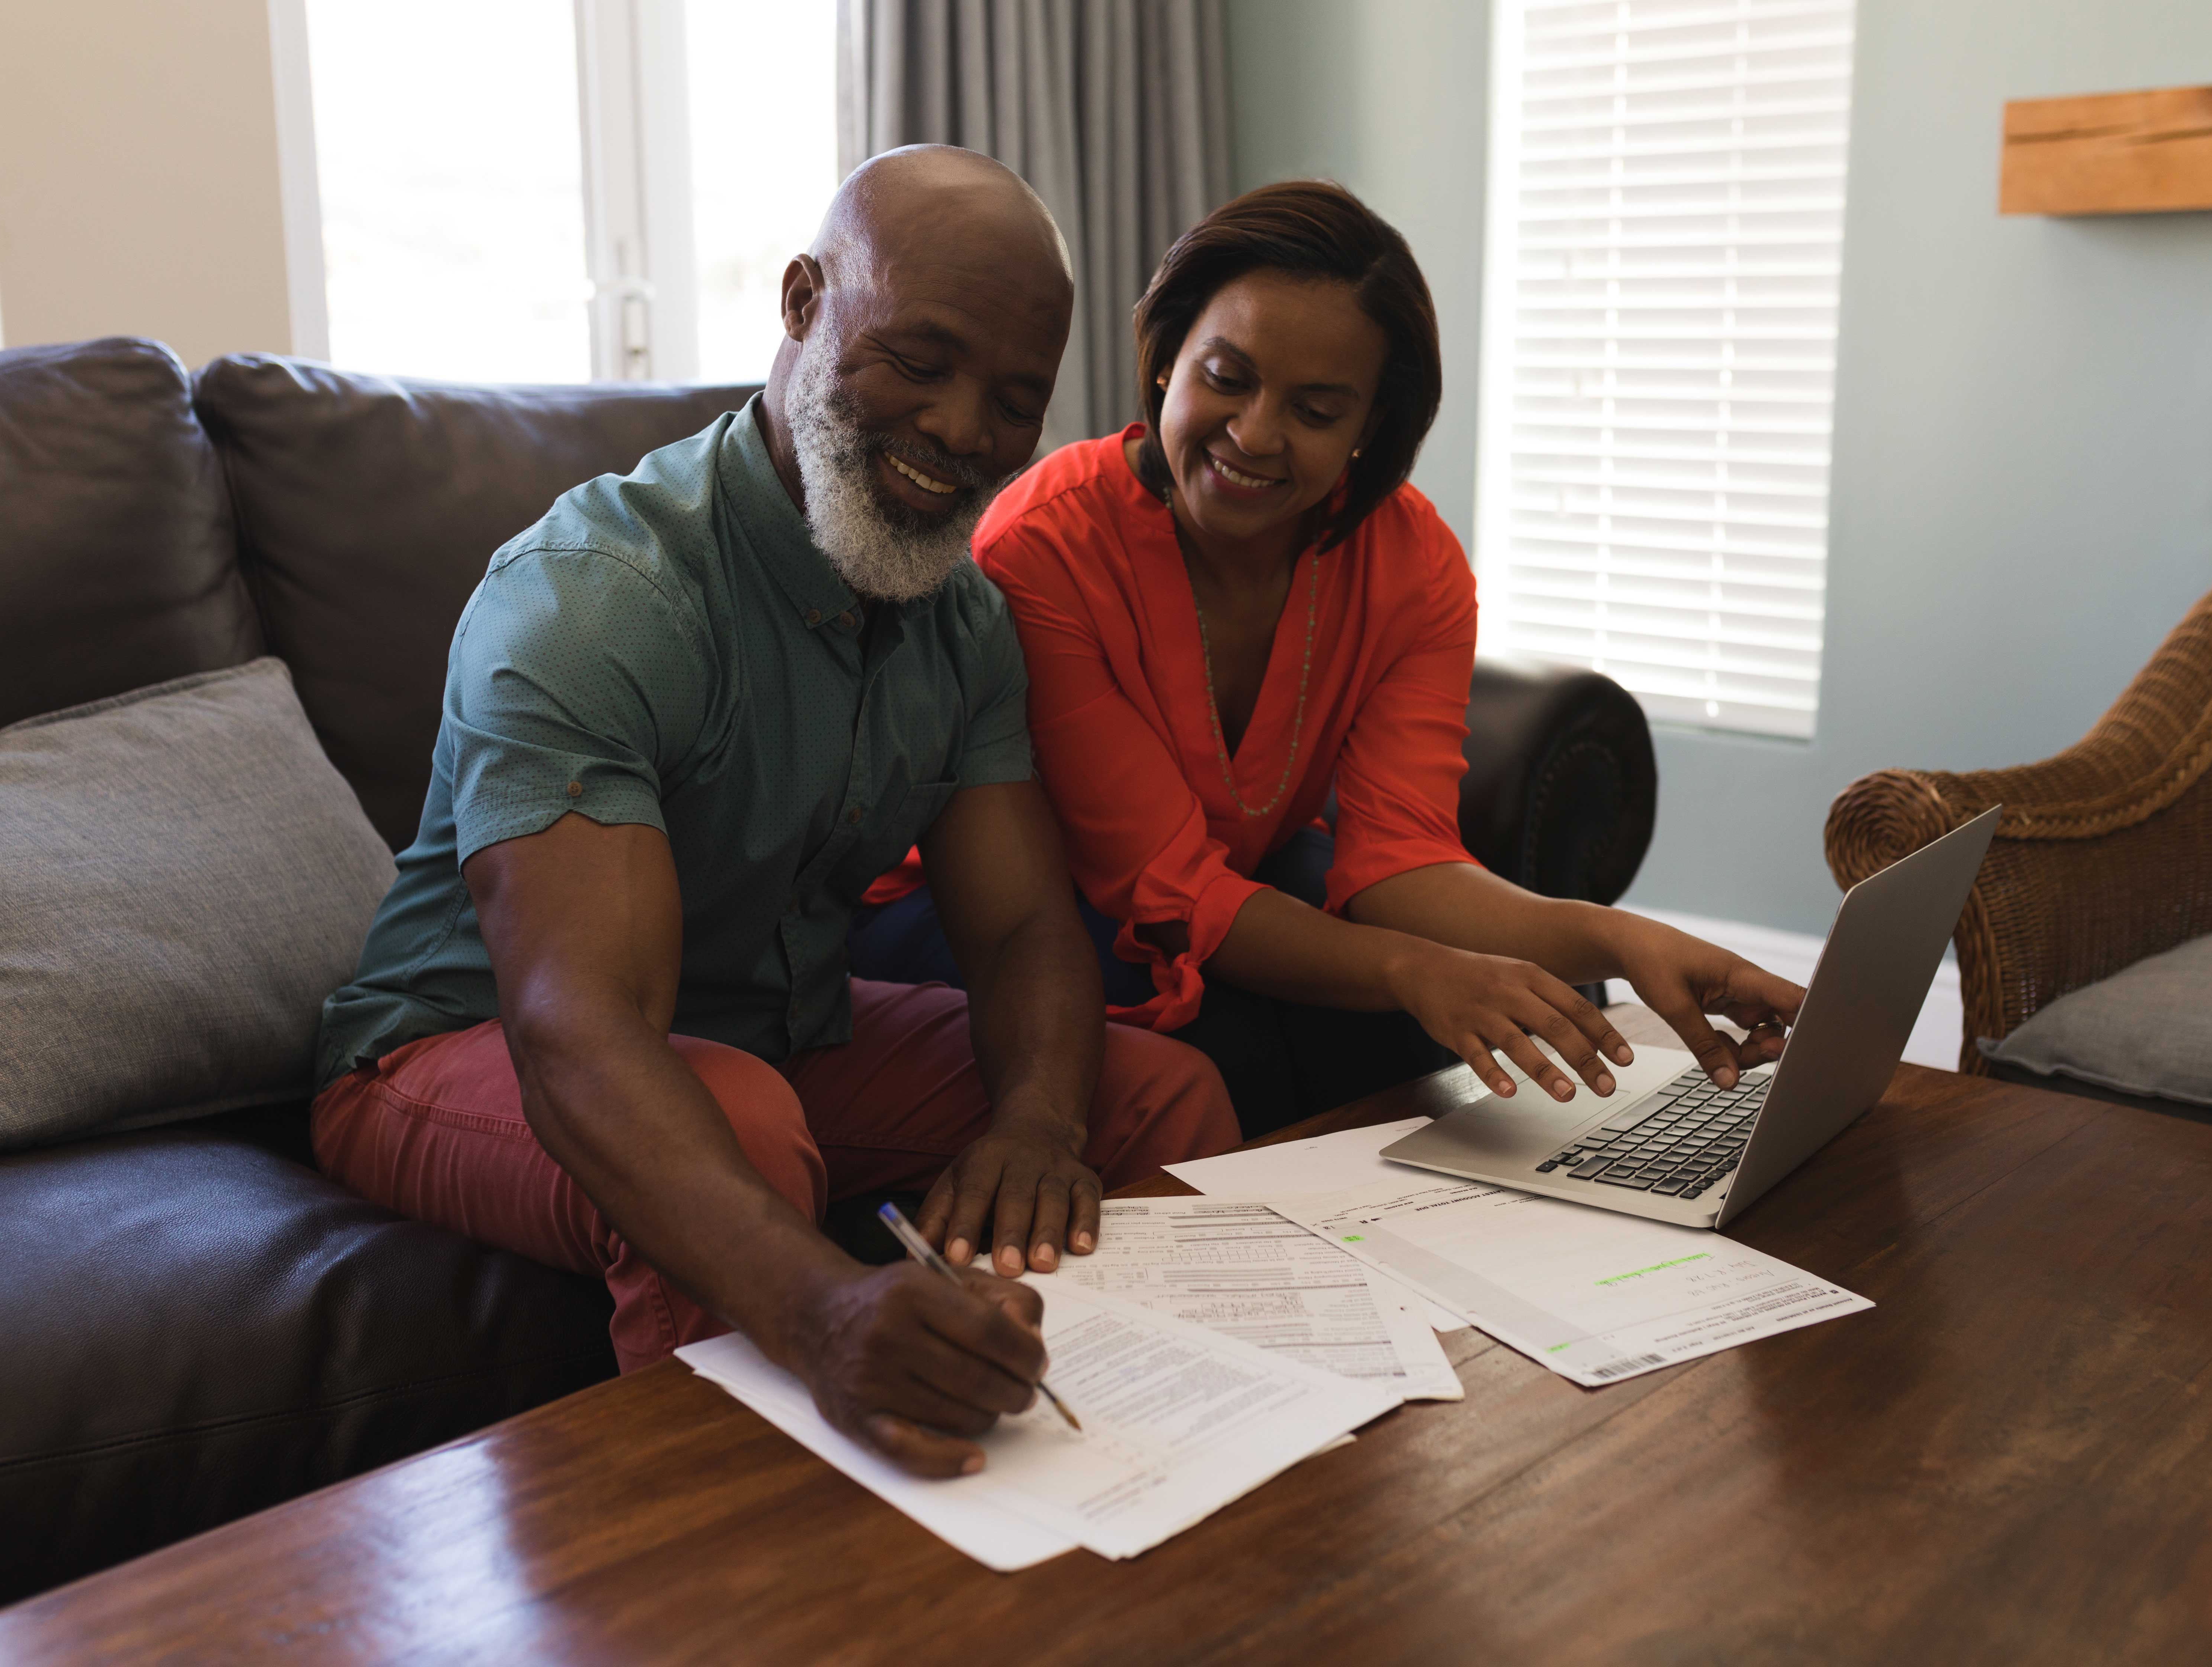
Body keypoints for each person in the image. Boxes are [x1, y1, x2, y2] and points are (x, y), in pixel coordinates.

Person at [308, 147, 1240, 1479]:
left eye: (1014, 398)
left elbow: (1027, 925)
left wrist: (1034, 1129)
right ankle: (755, 1580)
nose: (966, 430)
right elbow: (579, 1032)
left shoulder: (960, 616)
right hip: (453, 1052)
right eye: (919, 361)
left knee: (1159, 1100)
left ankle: (1130, 1485)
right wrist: (824, 1310)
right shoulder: (595, 597)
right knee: (735, 1117)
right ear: (804, 302)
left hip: (760, 1035)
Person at [853, 180, 1805, 1139]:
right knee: (1283, 1042)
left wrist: (1625, 940)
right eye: (1226, 378)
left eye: (1315, 411)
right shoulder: (1044, 546)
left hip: (1212, 890)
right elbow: (1170, 889)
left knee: (1422, 1047)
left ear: (1368, 431)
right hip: (997, 917)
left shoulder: (1411, 560)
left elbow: (1404, 861)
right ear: (1165, 362)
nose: (1257, 434)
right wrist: (1411, 971)